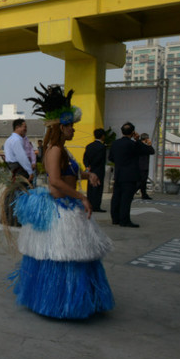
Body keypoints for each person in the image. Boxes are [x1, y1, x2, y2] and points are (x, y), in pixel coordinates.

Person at [10, 84, 114, 319]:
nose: (73, 130)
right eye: (69, 126)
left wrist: (89, 175)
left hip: (69, 208)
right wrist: (82, 196)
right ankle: (60, 301)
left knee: (74, 255)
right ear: (60, 127)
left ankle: (75, 299)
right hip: (61, 210)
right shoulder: (55, 150)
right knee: (63, 256)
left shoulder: (62, 150)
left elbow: (69, 176)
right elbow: (55, 182)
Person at [109, 122, 152, 228]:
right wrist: (138, 140)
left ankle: (115, 219)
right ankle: (124, 220)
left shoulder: (115, 143)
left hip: (118, 174)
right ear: (133, 133)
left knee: (116, 197)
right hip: (130, 175)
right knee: (126, 199)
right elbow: (149, 150)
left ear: (121, 131)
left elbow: (111, 158)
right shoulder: (133, 144)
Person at [2, 120, 33, 224]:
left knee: (12, 194)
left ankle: (8, 219)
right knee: (20, 195)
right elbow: (22, 157)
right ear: (17, 127)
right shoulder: (16, 140)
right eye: (24, 126)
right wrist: (30, 171)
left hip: (13, 168)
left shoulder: (11, 139)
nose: (26, 129)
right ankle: (14, 220)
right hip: (18, 169)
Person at [83, 128, 107, 212]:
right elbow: (100, 159)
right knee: (98, 188)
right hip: (98, 169)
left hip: (90, 169)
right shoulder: (102, 147)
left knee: (90, 188)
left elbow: (85, 157)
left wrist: (87, 166)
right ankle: (96, 206)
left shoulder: (89, 146)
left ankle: (89, 203)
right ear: (102, 136)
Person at [138, 133, 156, 200]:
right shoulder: (145, 147)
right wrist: (150, 145)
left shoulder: (138, 145)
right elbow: (152, 151)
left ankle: (144, 194)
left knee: (142, 181)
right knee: (141, 181)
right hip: (143, 166)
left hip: (139, 165)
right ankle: (142, 194)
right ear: (146, 139)